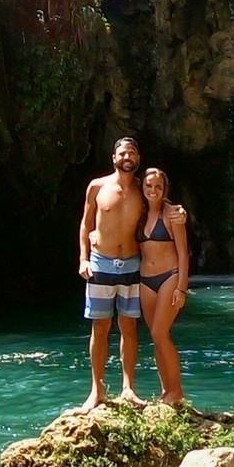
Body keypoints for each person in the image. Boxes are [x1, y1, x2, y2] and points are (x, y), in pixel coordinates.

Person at [78, 136, 147, 406]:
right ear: (114, 158)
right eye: (122, 153)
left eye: (132, 153)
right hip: (101, 262)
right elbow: (85, 224)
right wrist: (83, 259)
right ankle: (97, 390)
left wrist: (180, 214)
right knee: (100, 326)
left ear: (138, 159)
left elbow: (162, 212)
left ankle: (128, 388)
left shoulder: (144, 189)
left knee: (129, 326)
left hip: (132, 263)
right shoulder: (97, 186)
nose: (127, 157)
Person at [136, 166, 192, 404]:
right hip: (145, 281)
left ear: (164, 189)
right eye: (149, 185)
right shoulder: (138, 213)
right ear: (143, 187)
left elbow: (183, 253)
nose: (153, 190)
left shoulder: (172, 214)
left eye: (158, 186)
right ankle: (165, 390)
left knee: (160, 333)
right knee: (156, 336)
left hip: (169, 277)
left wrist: (181, 287)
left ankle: (177, 391)